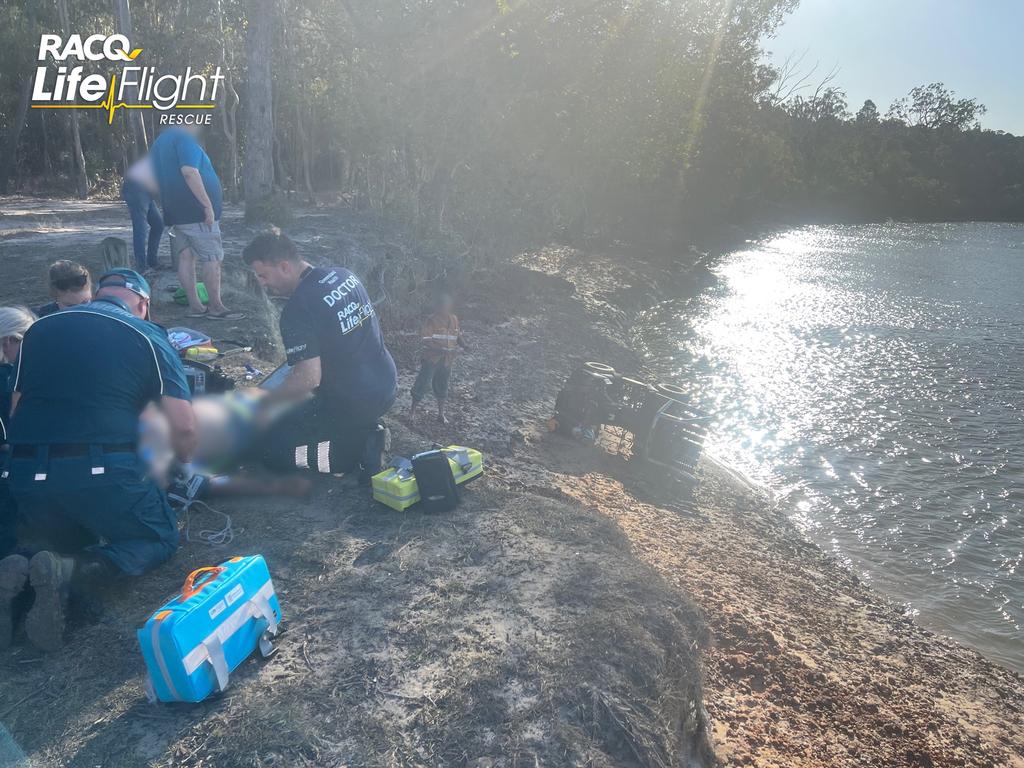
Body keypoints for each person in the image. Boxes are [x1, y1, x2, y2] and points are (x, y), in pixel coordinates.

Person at [0, 269, 196, 652]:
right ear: (143, 304)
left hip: (26, 475)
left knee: (59, 540)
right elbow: (185, 427)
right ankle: (70, 571)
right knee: (155, 537)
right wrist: (183, 465)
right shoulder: (146, 334)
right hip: (102, 471)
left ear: (98, 294)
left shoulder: (39, 330)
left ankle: (22, 574)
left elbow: (17, 406)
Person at [242, 229, 396, 481]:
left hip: (353, 402)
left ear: (284, 267)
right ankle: (362, 429)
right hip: (385, 384)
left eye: (263, 275)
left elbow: (309, 378)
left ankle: (350, 451)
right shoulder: (344, 276)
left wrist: (265, 403)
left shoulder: (298, 309)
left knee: (268, 449)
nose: (262, 283)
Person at [150, 122, 239, 320]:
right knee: (212, 257)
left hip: (175, 211)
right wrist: (207, 206)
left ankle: (196, 307)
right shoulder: (183, 138)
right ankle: (216, 307)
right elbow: (189, 171)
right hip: (195, 211)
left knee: (186, 256)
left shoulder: (160, 142)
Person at [410, 292, 467, 424]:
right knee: (422, 384)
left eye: (447, 305)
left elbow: (457, 335)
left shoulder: (454, 319)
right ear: (438, 307)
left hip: (447, 360)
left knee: (442, 385)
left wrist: (465, 345)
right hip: (431, 358)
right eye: (443, 306)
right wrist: (439, 349)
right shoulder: (431, 320)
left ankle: (441, 414)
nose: (445, 308)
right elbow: (426, 340)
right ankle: (412, 412)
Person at [122, 153, 164, 273]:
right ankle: (141, 267)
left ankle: (152, 261)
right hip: (136, 189)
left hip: (146, 191)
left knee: (158, 225)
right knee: (141, 228)